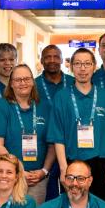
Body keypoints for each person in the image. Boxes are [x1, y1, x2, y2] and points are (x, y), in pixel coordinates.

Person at [47, 47, 105, 203]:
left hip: (101, 164)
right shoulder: (62, 96)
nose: (82, 68)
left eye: (87, 63)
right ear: (71, 67)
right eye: (78, 64)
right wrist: (63, 169)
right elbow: (58, 137)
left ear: (94, 66)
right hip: (72, 163)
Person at [0, 63, 55, 205]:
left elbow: (53, 143)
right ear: (11, 84)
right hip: (10, 178)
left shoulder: (45, 106)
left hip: (38, 179)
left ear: (33, 81)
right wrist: (19, 171)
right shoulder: (1, 106)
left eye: (27, 79)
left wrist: (44, 170)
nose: (23, 83)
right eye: (18, 80)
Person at [35, 44, 74, 200]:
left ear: (62, 59)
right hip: (43, 145)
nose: (52, 60)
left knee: (71, 190)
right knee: (48, 193)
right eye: (47, 57)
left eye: (56, 56)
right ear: (42, 60)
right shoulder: (33, 85)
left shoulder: (73, 83)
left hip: (70, 144)